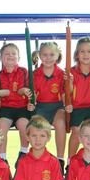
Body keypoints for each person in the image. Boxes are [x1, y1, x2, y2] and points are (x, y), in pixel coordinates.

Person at [0, 43, 32, 167]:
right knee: (1, 128)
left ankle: (23, 152)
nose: (10, 56)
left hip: (21, 107)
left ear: (18, 58)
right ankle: (2, 158)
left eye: (13, 54)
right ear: (0, 58)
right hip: (6, 108)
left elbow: (23, 89)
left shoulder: (23, 71)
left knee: (24, 126)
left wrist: (23, 91)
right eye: (7, 54)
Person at [66, 37, 90, 162]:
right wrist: (69, 81)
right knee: (76, 131)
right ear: (77, 55)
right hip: (77, 107)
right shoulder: (71, 72)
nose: (86, 54)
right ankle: (70, 161)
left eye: (89, 51)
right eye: (82, 51)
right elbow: (69, 92)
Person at [30, 42, 67, 172]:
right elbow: (33, 95)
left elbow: (63, 93)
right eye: (44, 55)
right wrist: (31, 102)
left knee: (60, 123)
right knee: (36, 126)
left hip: (57, 107)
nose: (48, 58)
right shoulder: (35, 74)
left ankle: (60, 159)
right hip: (41, 107)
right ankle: (36, 157)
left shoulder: (62, 74)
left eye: (52, 54)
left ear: (57, 56)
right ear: (39, 56)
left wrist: (66, 105)